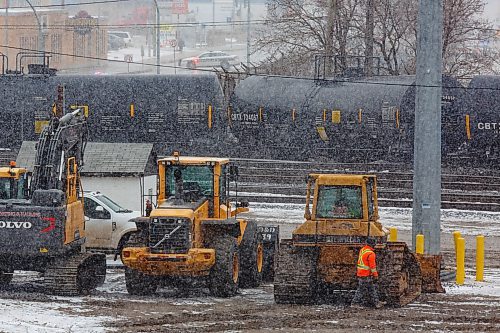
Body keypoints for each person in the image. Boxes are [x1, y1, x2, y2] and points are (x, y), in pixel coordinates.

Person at [351, 237, 387, 309]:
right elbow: (372, 267)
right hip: (365, 274)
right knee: (361, 289)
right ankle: (355, 303)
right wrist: (376, 275)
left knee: (371, 288)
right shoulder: (371, 254)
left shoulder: (363, 250)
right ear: (373, 244)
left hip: (361, 273)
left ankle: (377, 303)